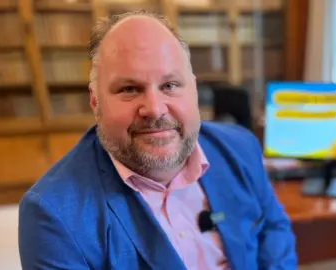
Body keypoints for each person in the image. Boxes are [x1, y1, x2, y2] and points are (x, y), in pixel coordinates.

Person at [18, 10, 297, 270]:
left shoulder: (241, 147)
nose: (154, 108)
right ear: (95, 100)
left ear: (194, 90)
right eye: (129, 88)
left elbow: (273, 230)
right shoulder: (51, 215)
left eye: (170, 85)